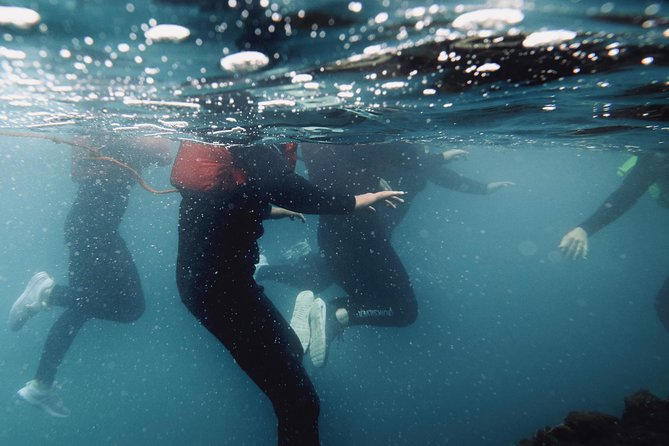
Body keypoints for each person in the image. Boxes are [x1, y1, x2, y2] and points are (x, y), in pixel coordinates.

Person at [172, 141, 404, 446]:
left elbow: (225, 201)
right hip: (220, 292)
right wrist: (358, 200)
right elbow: (290, 189)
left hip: (211, 284)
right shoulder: (249, 139)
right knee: (299, 403)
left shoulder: (222, 149)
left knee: (292, 353)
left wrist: (270, 210)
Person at [257, 142, 514, 368]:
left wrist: (483, 187)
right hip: (362, 238)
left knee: (319, 277)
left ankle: (280, 282)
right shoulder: (392, 153)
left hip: (340, 233)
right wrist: (441, 157)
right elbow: (416, 163)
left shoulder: (353, 157)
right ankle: (333, 314)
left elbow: (431, 171)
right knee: (403, 310)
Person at [8, 134, 172, 417]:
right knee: (129, 307)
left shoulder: (106, 128)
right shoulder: (110, 124)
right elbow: (162, 153)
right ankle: (46, 293)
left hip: (91, 227)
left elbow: (159, 154)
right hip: (95, 229)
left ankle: (40, 385)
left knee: (81, 306)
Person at [559, 151, 669, 332]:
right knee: (664, 304)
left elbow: (627, 195)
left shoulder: (660, 156)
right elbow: (627, 194)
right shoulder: (659, 157)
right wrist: (585, 228)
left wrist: (586, 228)